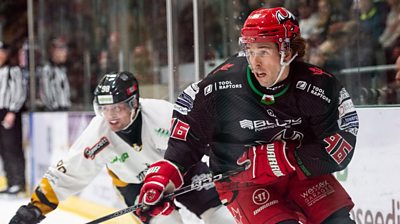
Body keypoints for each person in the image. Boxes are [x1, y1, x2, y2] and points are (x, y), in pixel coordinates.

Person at [137, 7, 359, 224]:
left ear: (288, 52)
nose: (255, 62)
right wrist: (161, 179)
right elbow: (184, 146)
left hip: (300, 174)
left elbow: (338, 151)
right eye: (250, 51)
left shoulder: (320, 89)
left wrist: (284, 156)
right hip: (243, 182)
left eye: (263, 51)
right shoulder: (219, 88)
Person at [8, 71, 234, 224]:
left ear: (134, 103)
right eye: (104, 109)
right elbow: (68, 171)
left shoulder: (163, 114)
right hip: (136, 186)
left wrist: (230, 157)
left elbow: (202, 136)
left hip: (183, 171)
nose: (110, 116)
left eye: (117, 108)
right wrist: (34, 209)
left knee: (223, 216)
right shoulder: (97, 135)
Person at [0, 41, 27, 197]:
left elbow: (19, 91)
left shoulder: (13, 70)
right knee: (3, 148)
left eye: (2, 52)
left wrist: (12, 111)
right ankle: (10, 181)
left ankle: (19, 182)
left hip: (9, 111)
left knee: (13, 147)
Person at [37, 36, 71, 111]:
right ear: (53, 51)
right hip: (54, 113)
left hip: (64, 110)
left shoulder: (62, 70)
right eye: (62, 50)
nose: (65, 53)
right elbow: (45, 94)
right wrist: (54, 108)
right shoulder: (47, 70)